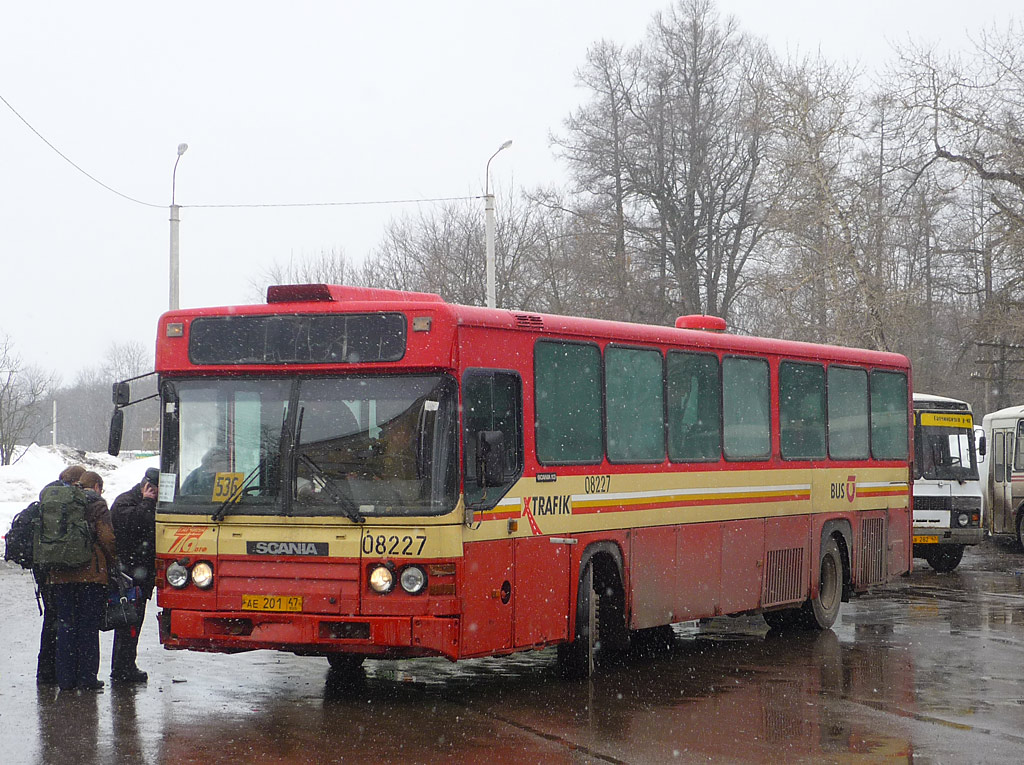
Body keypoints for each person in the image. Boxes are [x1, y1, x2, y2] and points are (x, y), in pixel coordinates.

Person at [48, 470, 116, 692]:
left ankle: (66, 680)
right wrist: (114, 561)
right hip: (90, 576)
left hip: (60, 573)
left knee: (66, 626)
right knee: (88, 627)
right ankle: (87, 678)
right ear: (96, 486)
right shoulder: (97, 504)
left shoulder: (62, 502)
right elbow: (107, 537)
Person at [35, 464, 87, 686]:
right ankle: (62, 671)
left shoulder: (47, 496)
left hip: (45, 564)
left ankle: (46, 671)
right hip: (66, 564)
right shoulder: (73, 499)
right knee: (65, 620)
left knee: (52, 619)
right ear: (77, 482)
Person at [109, 467, 158, 683]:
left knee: (133, 623)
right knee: (127, 622)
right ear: (147, 487)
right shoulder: (125, 503)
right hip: (129, 576)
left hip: (141, 575)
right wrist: (147, 502)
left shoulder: (142, 503)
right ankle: (122, 669)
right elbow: (135, 526)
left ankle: (126, 665)